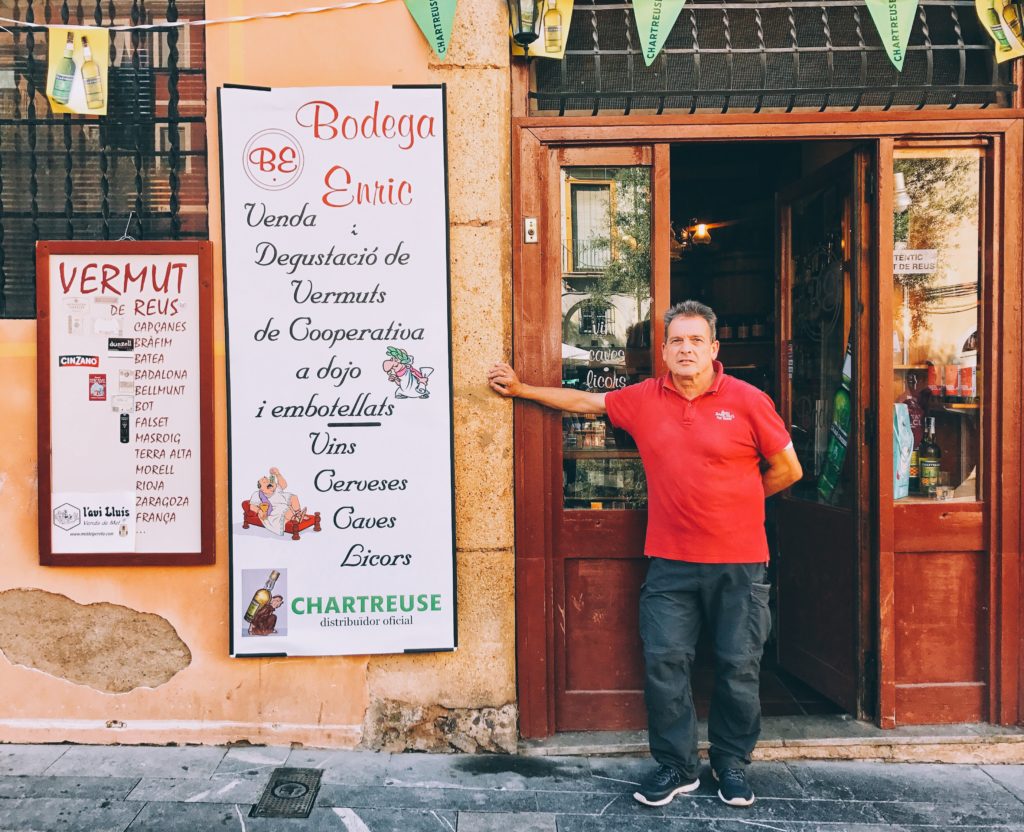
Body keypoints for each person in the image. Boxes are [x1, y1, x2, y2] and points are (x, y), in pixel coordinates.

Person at [488, 300, 801, 809]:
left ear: (714, 349)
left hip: (739, 562)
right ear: (663, 350)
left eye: (696, 340)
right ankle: (678, 767)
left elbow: (788, 469)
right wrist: (522, 389)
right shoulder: (644, 398)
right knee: (664, 662)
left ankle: (731, 765)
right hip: (670, 563)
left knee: (738, 665)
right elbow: (585, 403)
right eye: (677, 340)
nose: (686, 349)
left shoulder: (747, 400)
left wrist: (736, 501)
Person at [250, 467, 306, 536]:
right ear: (261, 487)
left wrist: (277, 474)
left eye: (268, 481)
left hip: (285, 504)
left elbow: (284, 485)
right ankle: (296, 518)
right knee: (286, 511)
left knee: (294, 497)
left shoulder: (275, 487)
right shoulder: (257, 494)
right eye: (264, 482)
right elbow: (252, 507)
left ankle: (298, 513)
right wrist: (259, 511)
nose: (268, 482)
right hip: (272, 511)